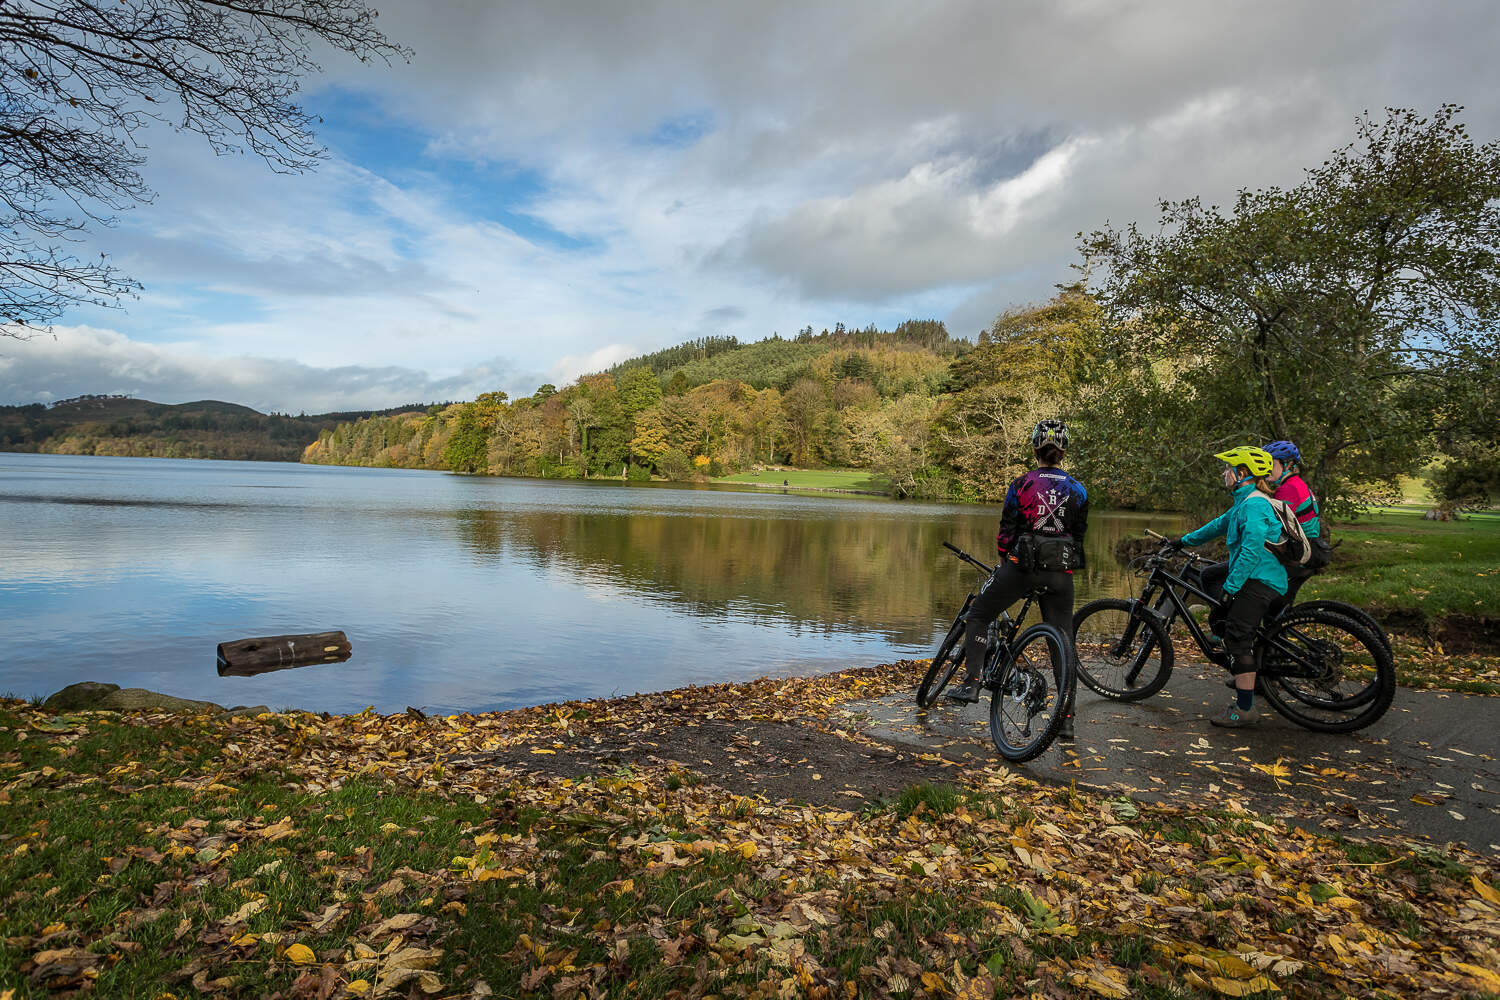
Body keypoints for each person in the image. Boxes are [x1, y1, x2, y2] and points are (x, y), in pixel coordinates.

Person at [947, 419, 1087, 741]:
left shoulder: (1022, 484)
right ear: (1063, 452)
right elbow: (1078, 536)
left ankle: (972, 682)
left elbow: (1006, 531)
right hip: (1060, 573)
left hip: (1021, 566)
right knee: (1063, 644)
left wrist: (1002, 562)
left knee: (980, 614)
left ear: (1035, 448)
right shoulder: (1078, 490)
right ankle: (1066, 720)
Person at [1171, 446, 1288, 728]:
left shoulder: (1255, 505)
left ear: (1241, 473)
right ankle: (1228, 634)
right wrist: (1181, 542)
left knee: (1238, 639)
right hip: (1255, 574)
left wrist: (1231, 588)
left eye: (1228, 469)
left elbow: (1251, 549)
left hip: (1262, 580)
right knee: (1211, 578)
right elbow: (1215, 526)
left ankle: (1244, 710)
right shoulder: (1243, 502)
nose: (1224, 474)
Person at [1265, 439, 1330, 599]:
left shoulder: (1289, 489)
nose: (1266, 468)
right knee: (1279, 611)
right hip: (1307, 551)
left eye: (1271, 463)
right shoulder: (1297, 483)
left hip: (1298, 556)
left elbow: (1273, 526)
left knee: (1271, 608)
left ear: (1288, 464)